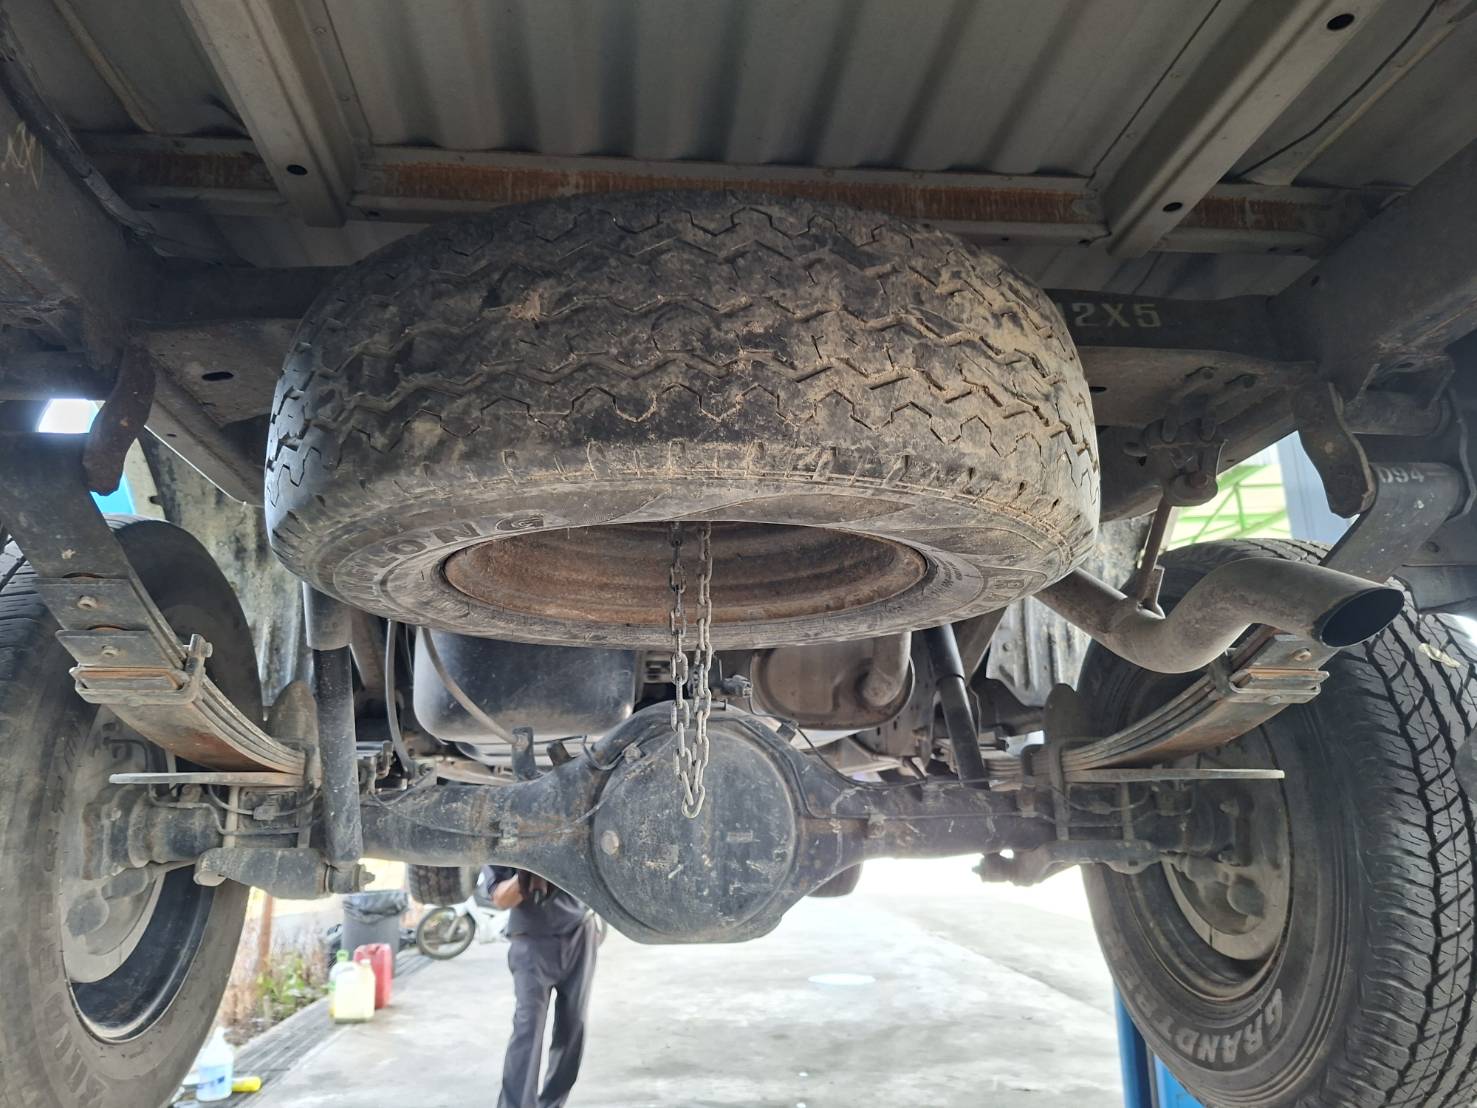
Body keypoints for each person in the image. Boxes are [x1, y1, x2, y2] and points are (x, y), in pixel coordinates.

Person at [487, 865, 599, 1108]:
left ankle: (552, 1103)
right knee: (528, 1027)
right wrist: (531, 870)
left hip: (579, 931)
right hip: (531, 941)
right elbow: (501, 898)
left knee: (573, 1026)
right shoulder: (504, 845)